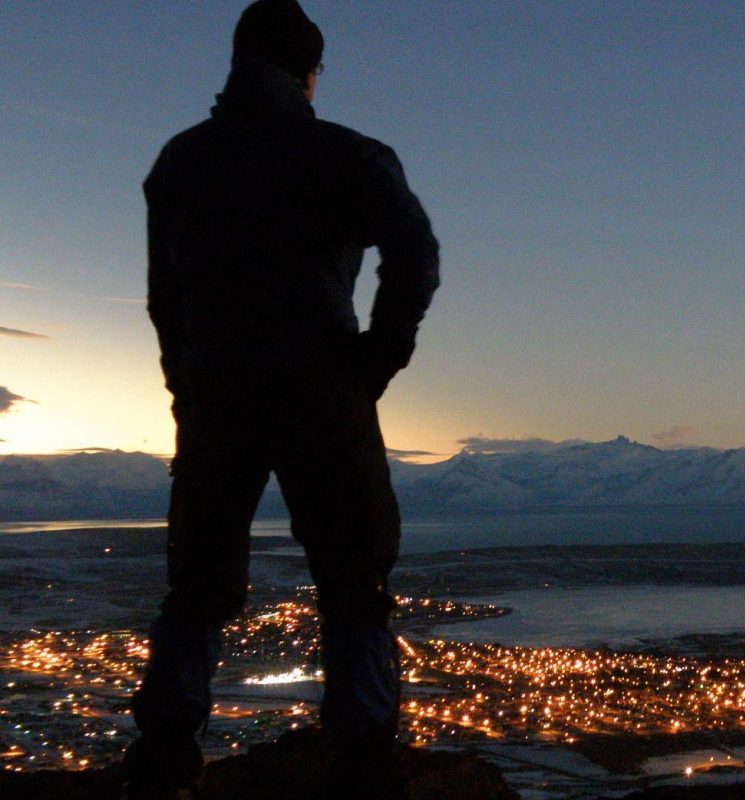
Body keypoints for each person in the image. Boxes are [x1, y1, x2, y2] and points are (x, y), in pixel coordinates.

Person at [124, 1, 439, 797]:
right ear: (309, 71)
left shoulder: (181, 162)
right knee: (355, 577)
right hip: (321, 387)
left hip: (218, 389)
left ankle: (164, 753)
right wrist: (376, 359)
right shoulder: (341, 154)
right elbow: (416, 254)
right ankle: (364, 753)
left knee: (196, 581)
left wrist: (184, 381)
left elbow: (165, 297)